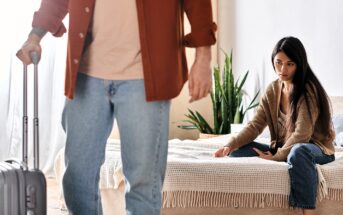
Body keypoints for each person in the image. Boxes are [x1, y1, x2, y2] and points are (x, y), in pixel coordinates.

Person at [17, 0, 216, 214]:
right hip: (86, 73)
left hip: (145, 79)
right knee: (77, 179)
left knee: (143, 184)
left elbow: (197, 3)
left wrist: (203, 59)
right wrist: (34, 37)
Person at [214, 36, 335, 215]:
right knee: (238, 150)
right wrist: (229, 144)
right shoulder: (272, 90)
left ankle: (307, 212)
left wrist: (277, 156)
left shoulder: (307, 91)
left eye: (289, 64)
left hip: (314, 148)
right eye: (278, 62)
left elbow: (302, 134)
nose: (282, 69)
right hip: (283, 148)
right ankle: (285, 156)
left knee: (298, 151)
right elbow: (255, 125)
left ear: (299, 65)